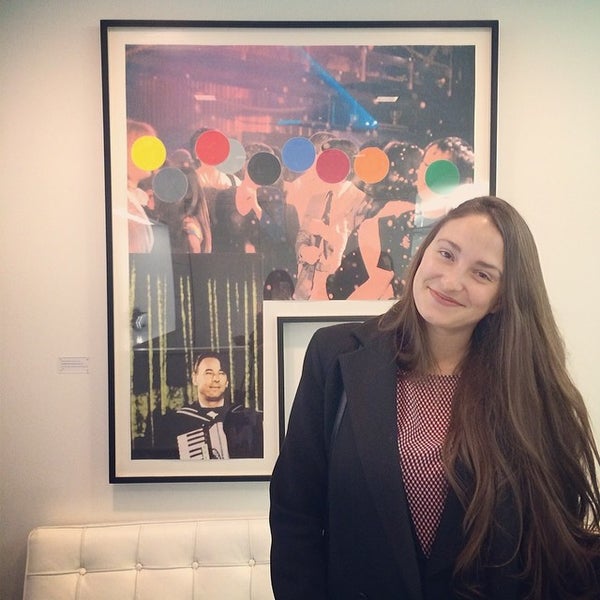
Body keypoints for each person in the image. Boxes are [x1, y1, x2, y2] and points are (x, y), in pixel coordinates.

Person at [270, 196, 600, 599]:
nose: (451, 281)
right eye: (446, 254)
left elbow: (554, 539)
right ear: (424, 252)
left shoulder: (528, 388)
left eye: (482, 274)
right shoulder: (335, 355)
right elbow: (295, 512)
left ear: (501, 298)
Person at [152, 352, 263, 460]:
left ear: (227, 381)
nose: (216, 379)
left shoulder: (244, 417)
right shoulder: (177, 421)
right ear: (195, 378)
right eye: (209, 373)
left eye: (221, 373)